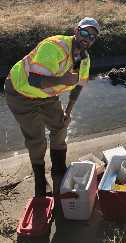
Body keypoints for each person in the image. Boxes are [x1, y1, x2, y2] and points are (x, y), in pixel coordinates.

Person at [4, 17, 100, 196]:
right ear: (76, 30)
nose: (87, 38)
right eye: (84, 33)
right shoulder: (54, 47)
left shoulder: (84, 59)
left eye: (92, 37)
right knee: (37, 138)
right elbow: (33, 80)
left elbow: (78, 86)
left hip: (47, 94)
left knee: (61, 126)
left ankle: (58, 169)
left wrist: (68, 112)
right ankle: (40, 182)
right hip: (21, 92)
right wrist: (62, 80)